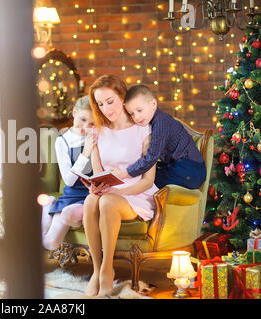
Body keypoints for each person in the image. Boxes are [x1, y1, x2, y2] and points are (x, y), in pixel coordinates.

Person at [82, 75, 159, 297]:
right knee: (90, 200)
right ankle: (97, 271)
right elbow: (99, 174)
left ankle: (107, 270)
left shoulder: (143, 130)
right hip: (109, 192)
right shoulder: (97, 131)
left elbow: (148, 180)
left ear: (123, 97)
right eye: (100, 104)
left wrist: (117, 191)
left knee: (107, 202)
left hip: (137, 192)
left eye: (110, 101)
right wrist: (94, 187)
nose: (105, 108)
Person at [111, 84, 206, 190]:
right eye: (132, 113)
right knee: (144, 175)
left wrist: (125, 173)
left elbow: (151, 157)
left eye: (139, 110)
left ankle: (129, 198)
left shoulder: (161, 123)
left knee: (146, 180)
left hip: (190, 170)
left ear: (153, 104)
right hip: (180, 167)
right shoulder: (151, 123)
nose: (136, 117)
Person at [41, 95, 97, 251]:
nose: (85, 126)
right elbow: (69, 180)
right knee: (50, 244)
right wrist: (85, 153)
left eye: (92, 123)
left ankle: (75, 216)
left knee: (72, 214)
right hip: (72, 194)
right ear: (74, 113)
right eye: (82, 119)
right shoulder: (62, 141)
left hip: (91, 196)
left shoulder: (96, 135)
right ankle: (49, 205)